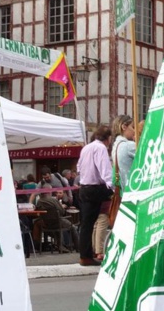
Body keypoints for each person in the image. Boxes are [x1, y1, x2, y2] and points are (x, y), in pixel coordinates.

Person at [77, 125, 113, 266]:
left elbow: (79, 167)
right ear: (108, 138)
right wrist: (111, 186)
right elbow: (104, 168)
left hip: (84, 187)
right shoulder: (101, 148)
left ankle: (86, 253)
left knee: (87, 223)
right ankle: (86, 255)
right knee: (92, 222)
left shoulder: (86, 148)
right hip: (94, 187)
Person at [32, 186, 79, 252]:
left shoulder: (39, 202)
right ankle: (78, 248)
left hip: (46, 224)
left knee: (39, 223)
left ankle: (60, 246)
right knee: (73, 227)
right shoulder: (53, 200)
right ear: (49, 192)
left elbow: (37, 212)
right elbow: (62, 212)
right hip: (57, 222)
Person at [111, 114, 137, 190]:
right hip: (133, 189)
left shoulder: (116, 146)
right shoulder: (128, 146)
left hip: (123, 190)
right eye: (133, 127)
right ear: (124, 127)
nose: (134, 131)